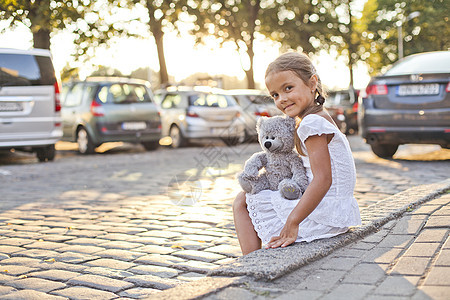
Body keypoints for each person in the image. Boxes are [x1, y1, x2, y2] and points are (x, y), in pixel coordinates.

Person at [233, 52, 361, 255]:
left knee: (242, 201)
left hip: (325, 215)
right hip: (336, 210)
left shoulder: (311, 123)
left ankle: (251, 263)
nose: (282, 99)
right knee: (251, 197)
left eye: (288, 88)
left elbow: (323, 179)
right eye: (275, 95)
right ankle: (254, 260)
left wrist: (293, 222)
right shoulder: (318, 116)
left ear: (312, 83)